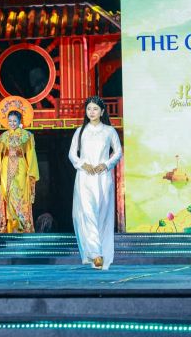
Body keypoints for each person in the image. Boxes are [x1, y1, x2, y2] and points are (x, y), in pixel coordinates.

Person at [69, 96, 122, 270]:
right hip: (84, 177)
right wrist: (82, 164)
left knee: (103, 215)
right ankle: (96, 254)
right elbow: (72, 154)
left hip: (103, 178)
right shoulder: (80, 131)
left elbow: (118, 152)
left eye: (95, 109)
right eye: (89, 109)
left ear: (102, 112)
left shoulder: (109, 131)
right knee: (87, 213)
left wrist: (105, 165)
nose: (91, 112)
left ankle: (102, 253)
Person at [0, 110, 39, 233]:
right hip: (6, 167)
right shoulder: (3, 136)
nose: (12, 123)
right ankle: (10, 226)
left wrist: (31, 172)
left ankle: (21, 226)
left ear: (19, 121)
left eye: (14, 121)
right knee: (8, 194)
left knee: (19, 195)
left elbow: (31, 155)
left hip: (21, 168)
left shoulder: (27, 136)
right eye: (10, 121)